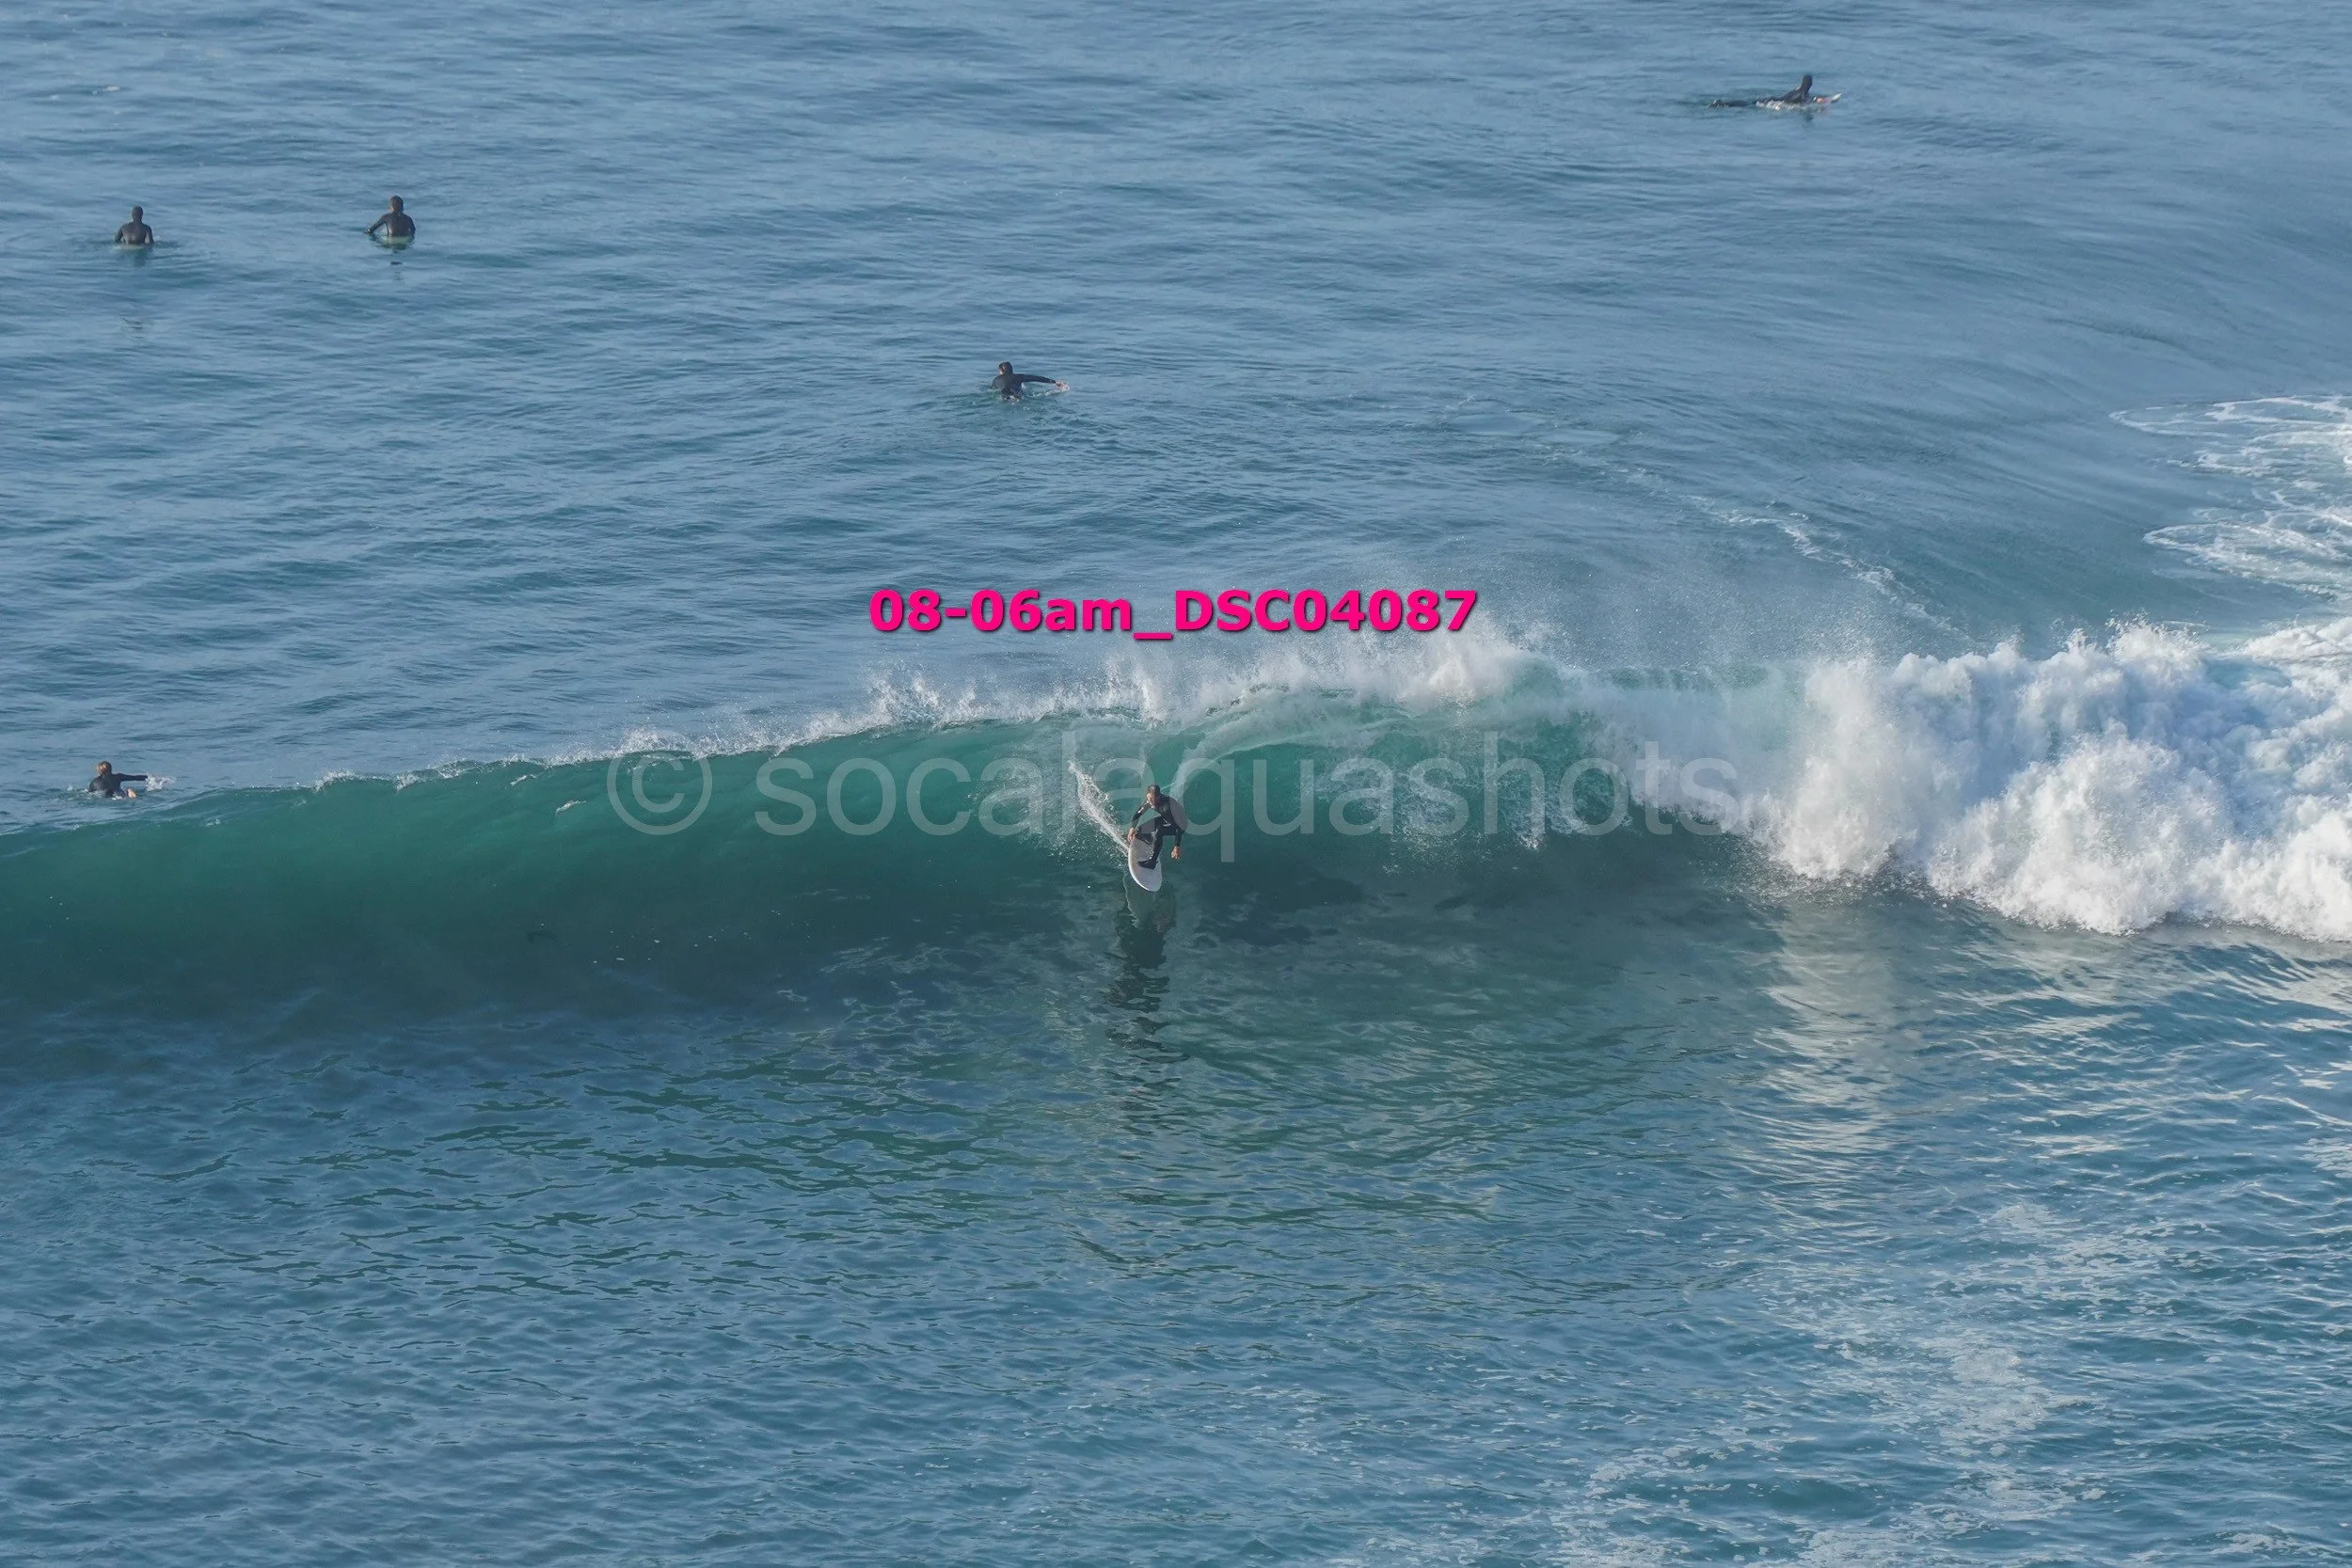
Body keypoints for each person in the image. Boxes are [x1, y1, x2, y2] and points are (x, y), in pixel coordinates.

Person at [1128, 784, 1186, 870]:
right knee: (1140, 830)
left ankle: (1152, 863)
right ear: (1147, 795)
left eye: (1154, 798)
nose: (1151, 801)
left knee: (1160, 830)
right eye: (1149, 798)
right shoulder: (1149, 801)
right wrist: (1132, 828)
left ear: (1159, 796)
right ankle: (1150, 841)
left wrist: (1176, 846)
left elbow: (1178, 826)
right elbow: (1138, 814)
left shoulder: (1167, 806)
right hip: (1166, 819)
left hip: (1180, 825)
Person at [992, 361, 1065, 399]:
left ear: (1001, 370)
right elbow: (1036, 378)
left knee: (1006, 398)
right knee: (1017, 398)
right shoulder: (1019, 377)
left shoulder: (995, 380)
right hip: (1018, 395)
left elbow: (991, 390)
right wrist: (1054, 382)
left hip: (1004, 395)